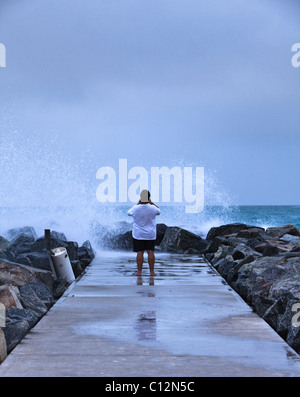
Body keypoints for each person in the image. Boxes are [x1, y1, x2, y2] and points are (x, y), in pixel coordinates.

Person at [127, 189, 160, 276]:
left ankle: (139, 272)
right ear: (149, 198)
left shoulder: (135, 208)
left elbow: (129, 213)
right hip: (150, 234)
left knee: (140, 252)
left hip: (139, 234)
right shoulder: (153, 208)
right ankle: (152, 271)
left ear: (141, 197)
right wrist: (151, 203)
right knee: (151, 252)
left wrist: (138, 203)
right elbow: (159, 211)